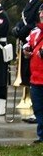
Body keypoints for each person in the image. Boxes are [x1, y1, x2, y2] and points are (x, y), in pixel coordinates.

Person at [14, 0, 43, 109]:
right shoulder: (32, 1)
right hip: (29, 41)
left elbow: (36, 22)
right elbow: (25, 19)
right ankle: (33, 106)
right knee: (30, 75)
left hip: (37, 41)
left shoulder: (40, 1)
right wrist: (17, 28)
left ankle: (35, 106)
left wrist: (22, 31)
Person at [25, 9, 43, 142]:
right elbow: (28, 45)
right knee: (38, 108)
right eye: (41, 12)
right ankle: (41, 135)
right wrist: (26, 52)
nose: (42, 15)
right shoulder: (35, 32)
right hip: (36, 78)